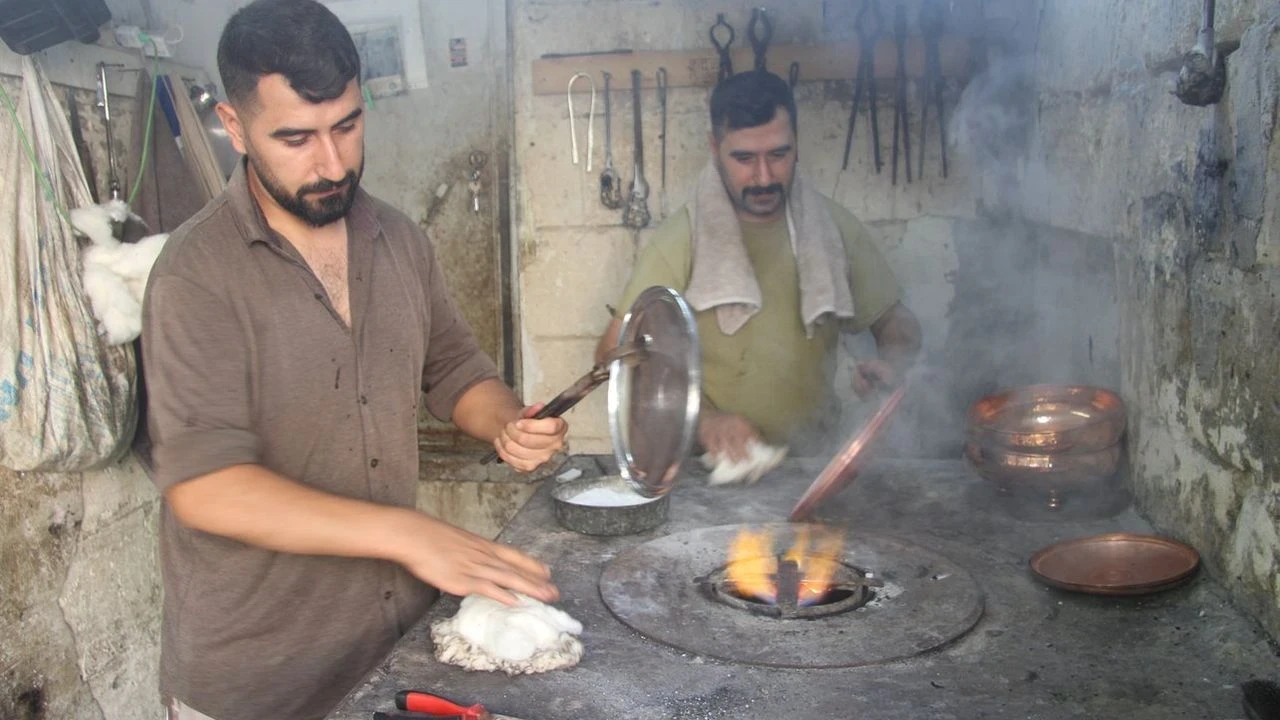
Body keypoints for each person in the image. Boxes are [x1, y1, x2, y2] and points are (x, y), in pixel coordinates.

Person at [141, 2, 567, 719]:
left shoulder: (398, 240)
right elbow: (206, 488)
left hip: (390, 646)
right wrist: (410, 532)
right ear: (234, 126)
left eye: (346, 125)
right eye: (296, 138)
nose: (332, 163)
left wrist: (506, 421)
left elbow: (454, 369)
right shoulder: (195, 276)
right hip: (261, 681)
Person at [596, 70, 922, 462]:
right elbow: (610, 354)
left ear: (797, 144)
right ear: (715, 148)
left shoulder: (833, 229)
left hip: (812, 460)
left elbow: (898, 324)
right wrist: (704, 422)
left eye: (778, 154)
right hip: (708, 468)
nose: (764, 176)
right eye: (745, 158)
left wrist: (891, 363)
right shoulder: (682, 239)